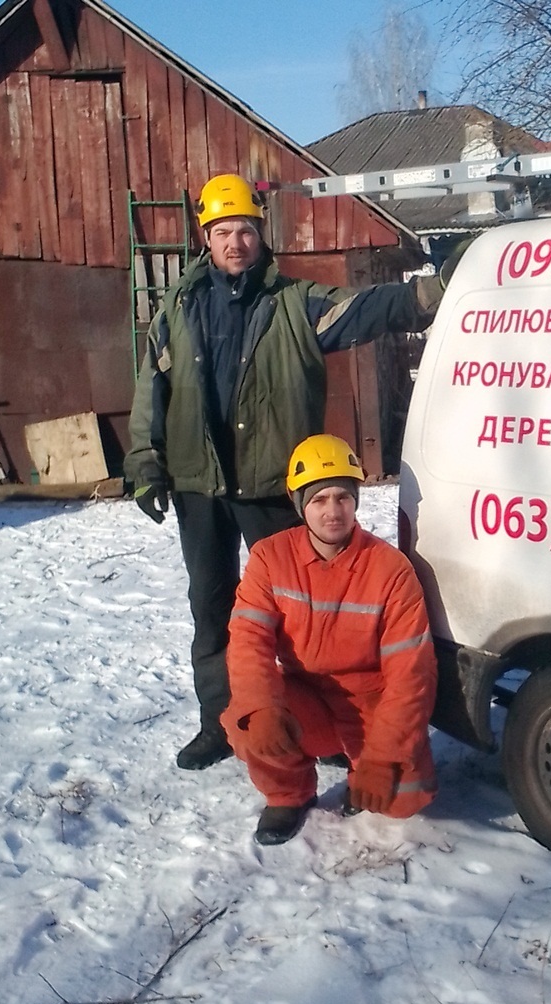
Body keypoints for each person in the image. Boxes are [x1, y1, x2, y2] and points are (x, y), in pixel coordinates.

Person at [125, 173, 451, 772]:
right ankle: (223, 722)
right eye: (223, 231)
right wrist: (146, 463)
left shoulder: (294, 304)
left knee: (299, 614)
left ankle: (317, 719)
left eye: (244, 230)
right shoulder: (177, 307)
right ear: (206, 236)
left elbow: (368, 309)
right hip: (200, 486)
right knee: (213, 609)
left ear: (259, 235)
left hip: (274, 484)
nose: (234, 242)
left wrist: (432, 292)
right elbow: (153, 389)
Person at [220, 433, 437, 845]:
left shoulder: (390, 569)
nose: (333, 511)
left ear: (356, 500)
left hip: (370, 700)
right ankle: (288, 794)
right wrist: (261, 705)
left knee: (405, 799)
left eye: (343, 497)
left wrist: (383, 755)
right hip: (306, 695)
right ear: (300, 504)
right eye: (319, 500)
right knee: (245, 720)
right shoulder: (270, 557)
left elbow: (412, 673)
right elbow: (249, 641)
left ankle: (359, 761)